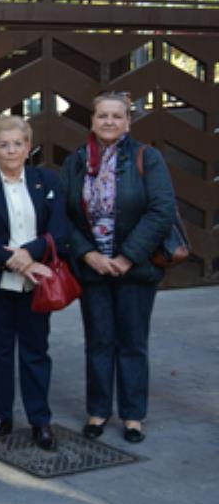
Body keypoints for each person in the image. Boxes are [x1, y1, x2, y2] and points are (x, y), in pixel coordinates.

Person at [59, 92, 175, 444]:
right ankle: (98, 411)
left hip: (135, 269)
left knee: (132, 342)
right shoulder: (77, 161)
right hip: (94, 268)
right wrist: (88, 255)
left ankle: (132, 415)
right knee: (98, 341)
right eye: (102, 116)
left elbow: (161, 210)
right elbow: (63, 215)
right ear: (92, 121)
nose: (109, 122)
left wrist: (127, 257)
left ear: (128, 121)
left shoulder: (147, 158)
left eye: (116, 116)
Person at [0, 115, 67, 452]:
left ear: (28, 146)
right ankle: (2, 415)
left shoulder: (46, 180)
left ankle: (40, 419)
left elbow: (59, 231)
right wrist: (12, 259)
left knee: (36, 352)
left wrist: (29, 253)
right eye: (3, 145)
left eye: (18, 144)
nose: (11, 151)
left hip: (35, 282)